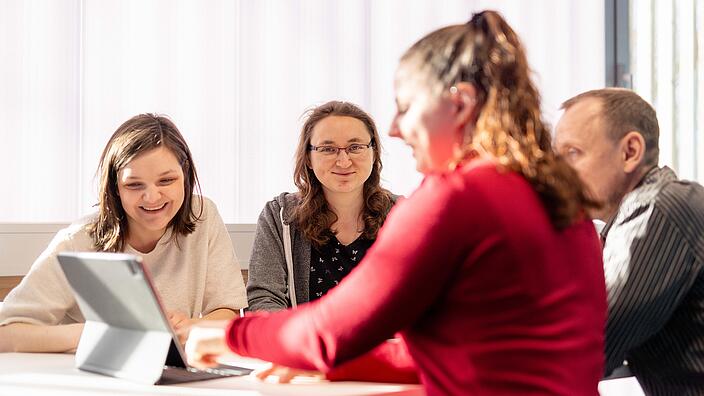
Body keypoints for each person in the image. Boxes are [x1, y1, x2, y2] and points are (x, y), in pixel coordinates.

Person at [185, 10, 607, 395]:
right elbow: (460, 352)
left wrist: (229, 336)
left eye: (406, 108)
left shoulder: (455, 198)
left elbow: (328, 334)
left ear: (458, 105)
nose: (395, 128)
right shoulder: (558, 195)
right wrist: (335, 369)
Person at [0, 114, 247, 353]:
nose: (152, 197)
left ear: (185, 177)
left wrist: (188, 327)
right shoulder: (79, 240)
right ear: (115, 188)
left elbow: (227, 313)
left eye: (166, 181)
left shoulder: (203, 215)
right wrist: (94, 334)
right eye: (134, 185)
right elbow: (6, 332)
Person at [554, 87, 704, 394]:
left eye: (573, 153)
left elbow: (592, 341)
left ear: (630, 152)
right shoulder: (627, 223)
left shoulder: (662, 207)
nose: (558, 173)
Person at [247, 101, 396, 311]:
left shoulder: (403, 214)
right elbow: (264, 299)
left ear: (374, 152)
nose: (344, 161)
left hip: (386, 342)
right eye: (328, 149)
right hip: (306, 343)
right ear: (308, 157)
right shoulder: (279, 216)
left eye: (355, 147)